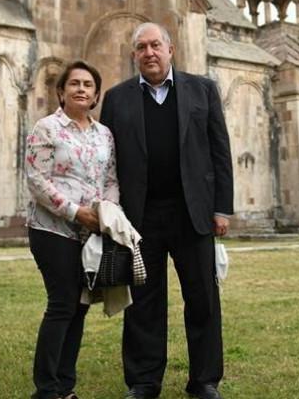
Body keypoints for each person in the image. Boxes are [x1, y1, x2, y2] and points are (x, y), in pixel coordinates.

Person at [100, 23, 234, 399]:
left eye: (155, 45)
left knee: (203, 298)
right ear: (134, 55)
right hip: (140, 216)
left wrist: (222, 208)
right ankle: (144, 381)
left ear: (170, 50)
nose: (149, 53)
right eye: (141, 47)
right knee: (143, 301)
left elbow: (219, 150)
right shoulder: (117, 98)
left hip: (193, 212)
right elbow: (108, 161)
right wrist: (109, 211)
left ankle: (204, 380)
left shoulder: (202, 90)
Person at [25, 60, 119, 399]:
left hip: (90, 233)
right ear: (61, 92)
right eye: (74, 83)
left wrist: (107, 213)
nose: (81, 89)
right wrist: (76, 212)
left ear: (96, 95)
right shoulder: (47, 128)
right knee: (63, 303)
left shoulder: (104, 134)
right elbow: (37, 179)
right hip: (53, 229)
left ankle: (65, 387)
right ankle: (46, 390)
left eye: (88, 85)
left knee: (79, 307)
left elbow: (111, 179)